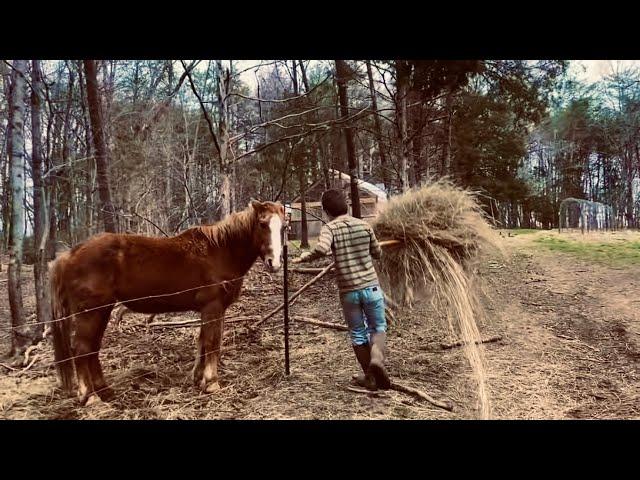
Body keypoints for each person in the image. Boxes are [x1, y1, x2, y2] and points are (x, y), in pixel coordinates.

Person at [292, 189, 390, 390]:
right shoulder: (364, 226)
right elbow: (377, 253)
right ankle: (377, 359)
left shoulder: (330, 228)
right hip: (371, 287)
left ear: (326, 210)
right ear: (346, 206)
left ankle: (370, 377)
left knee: (358, 334)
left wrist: (305, 257)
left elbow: (321, 248)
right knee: (378, 327)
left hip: (349, 292)